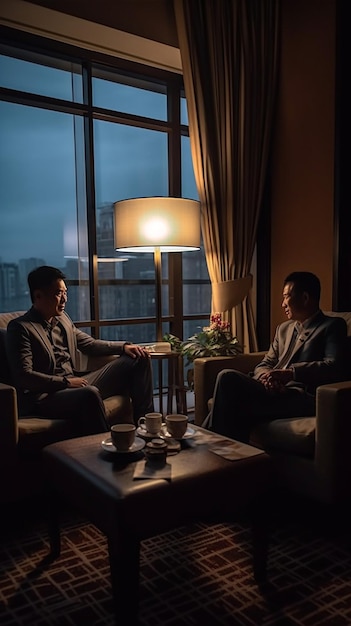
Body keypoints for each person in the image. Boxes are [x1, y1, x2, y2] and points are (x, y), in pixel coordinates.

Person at [6, 265, 154, 436]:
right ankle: (109, 446)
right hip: (47, 396)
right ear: (38, 295)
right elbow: (24, 375)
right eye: (58, 293)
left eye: (65, 292)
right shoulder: (20, 328)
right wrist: (66, 383)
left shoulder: (63, 319)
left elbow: (89, 344)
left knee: (138, 357)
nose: (64, 299)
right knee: (89, 393)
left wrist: (123, 347)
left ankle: (147, 427)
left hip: (77, 382)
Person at [209, 271, 347, 443]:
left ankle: (207, 446)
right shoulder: (284, 328)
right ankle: (220, 452)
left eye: (286, 297)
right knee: (231, 395)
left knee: (227, 378)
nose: (283, 304)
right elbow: (266, 362)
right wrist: (266, 378)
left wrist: (289, 374)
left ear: (305, 297)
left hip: (300, 396)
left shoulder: (332, 326)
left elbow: (333, 366)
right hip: (272, 391)